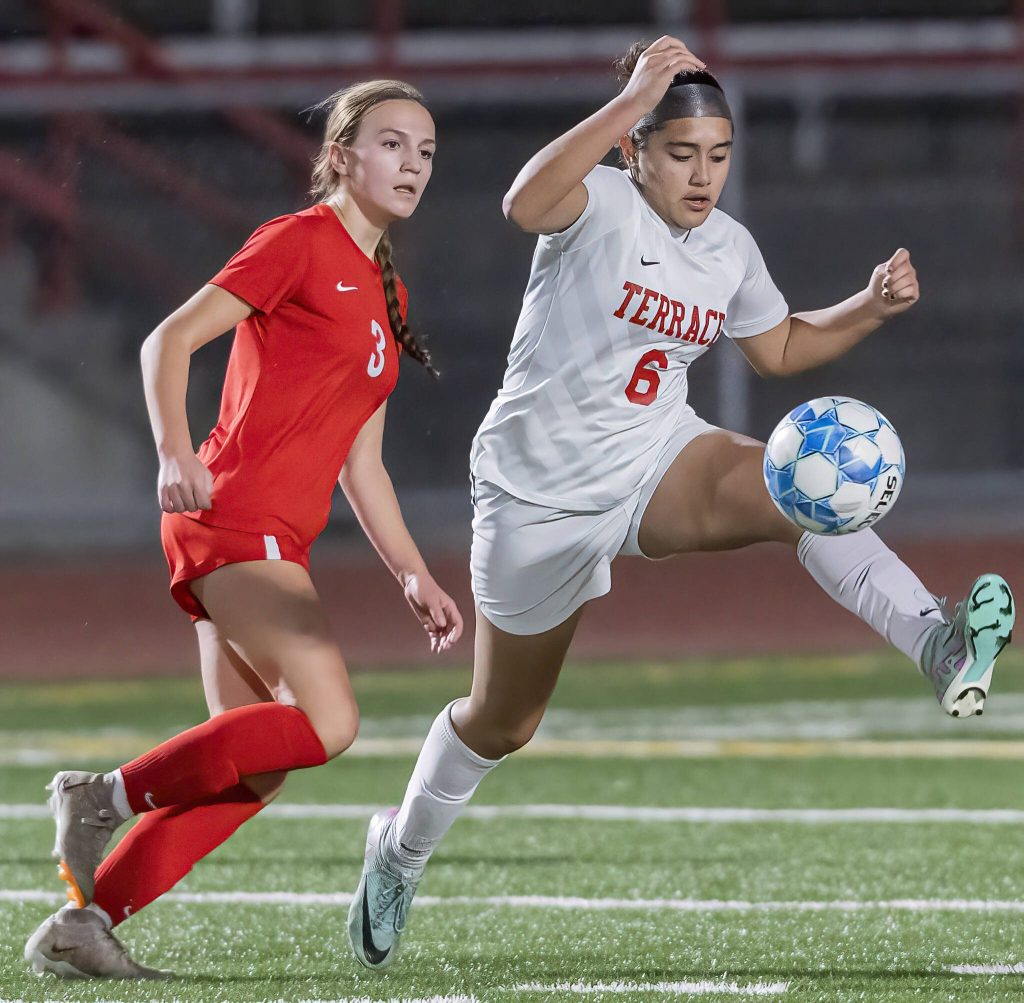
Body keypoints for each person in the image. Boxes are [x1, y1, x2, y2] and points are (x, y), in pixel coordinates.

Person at [346, 37, 1016, 970]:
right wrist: (631, 98)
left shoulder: (729, 247)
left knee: (799, 491)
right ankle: (401, 849)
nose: (704, 175)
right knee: (504, 720)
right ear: (637, 151)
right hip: (535, 494)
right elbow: (522, 200)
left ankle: (937, 642)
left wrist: (864, 306)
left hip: (658, 454)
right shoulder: (601, 203)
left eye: (719, 155)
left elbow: (776, 348)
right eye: (681, 153)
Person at [24, 79, 464, 980]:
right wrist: (174, 448)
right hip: (233, 516)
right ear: (341, 155)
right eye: (391, 143)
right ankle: (99, 795)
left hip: (270, 537)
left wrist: (412, 573)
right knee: (329, 721)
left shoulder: (388, 289)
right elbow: (168, 341)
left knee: (252, 764)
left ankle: (84, 924)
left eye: (424, 150)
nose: (412, 163)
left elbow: (362, 464)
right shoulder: (298, 240)